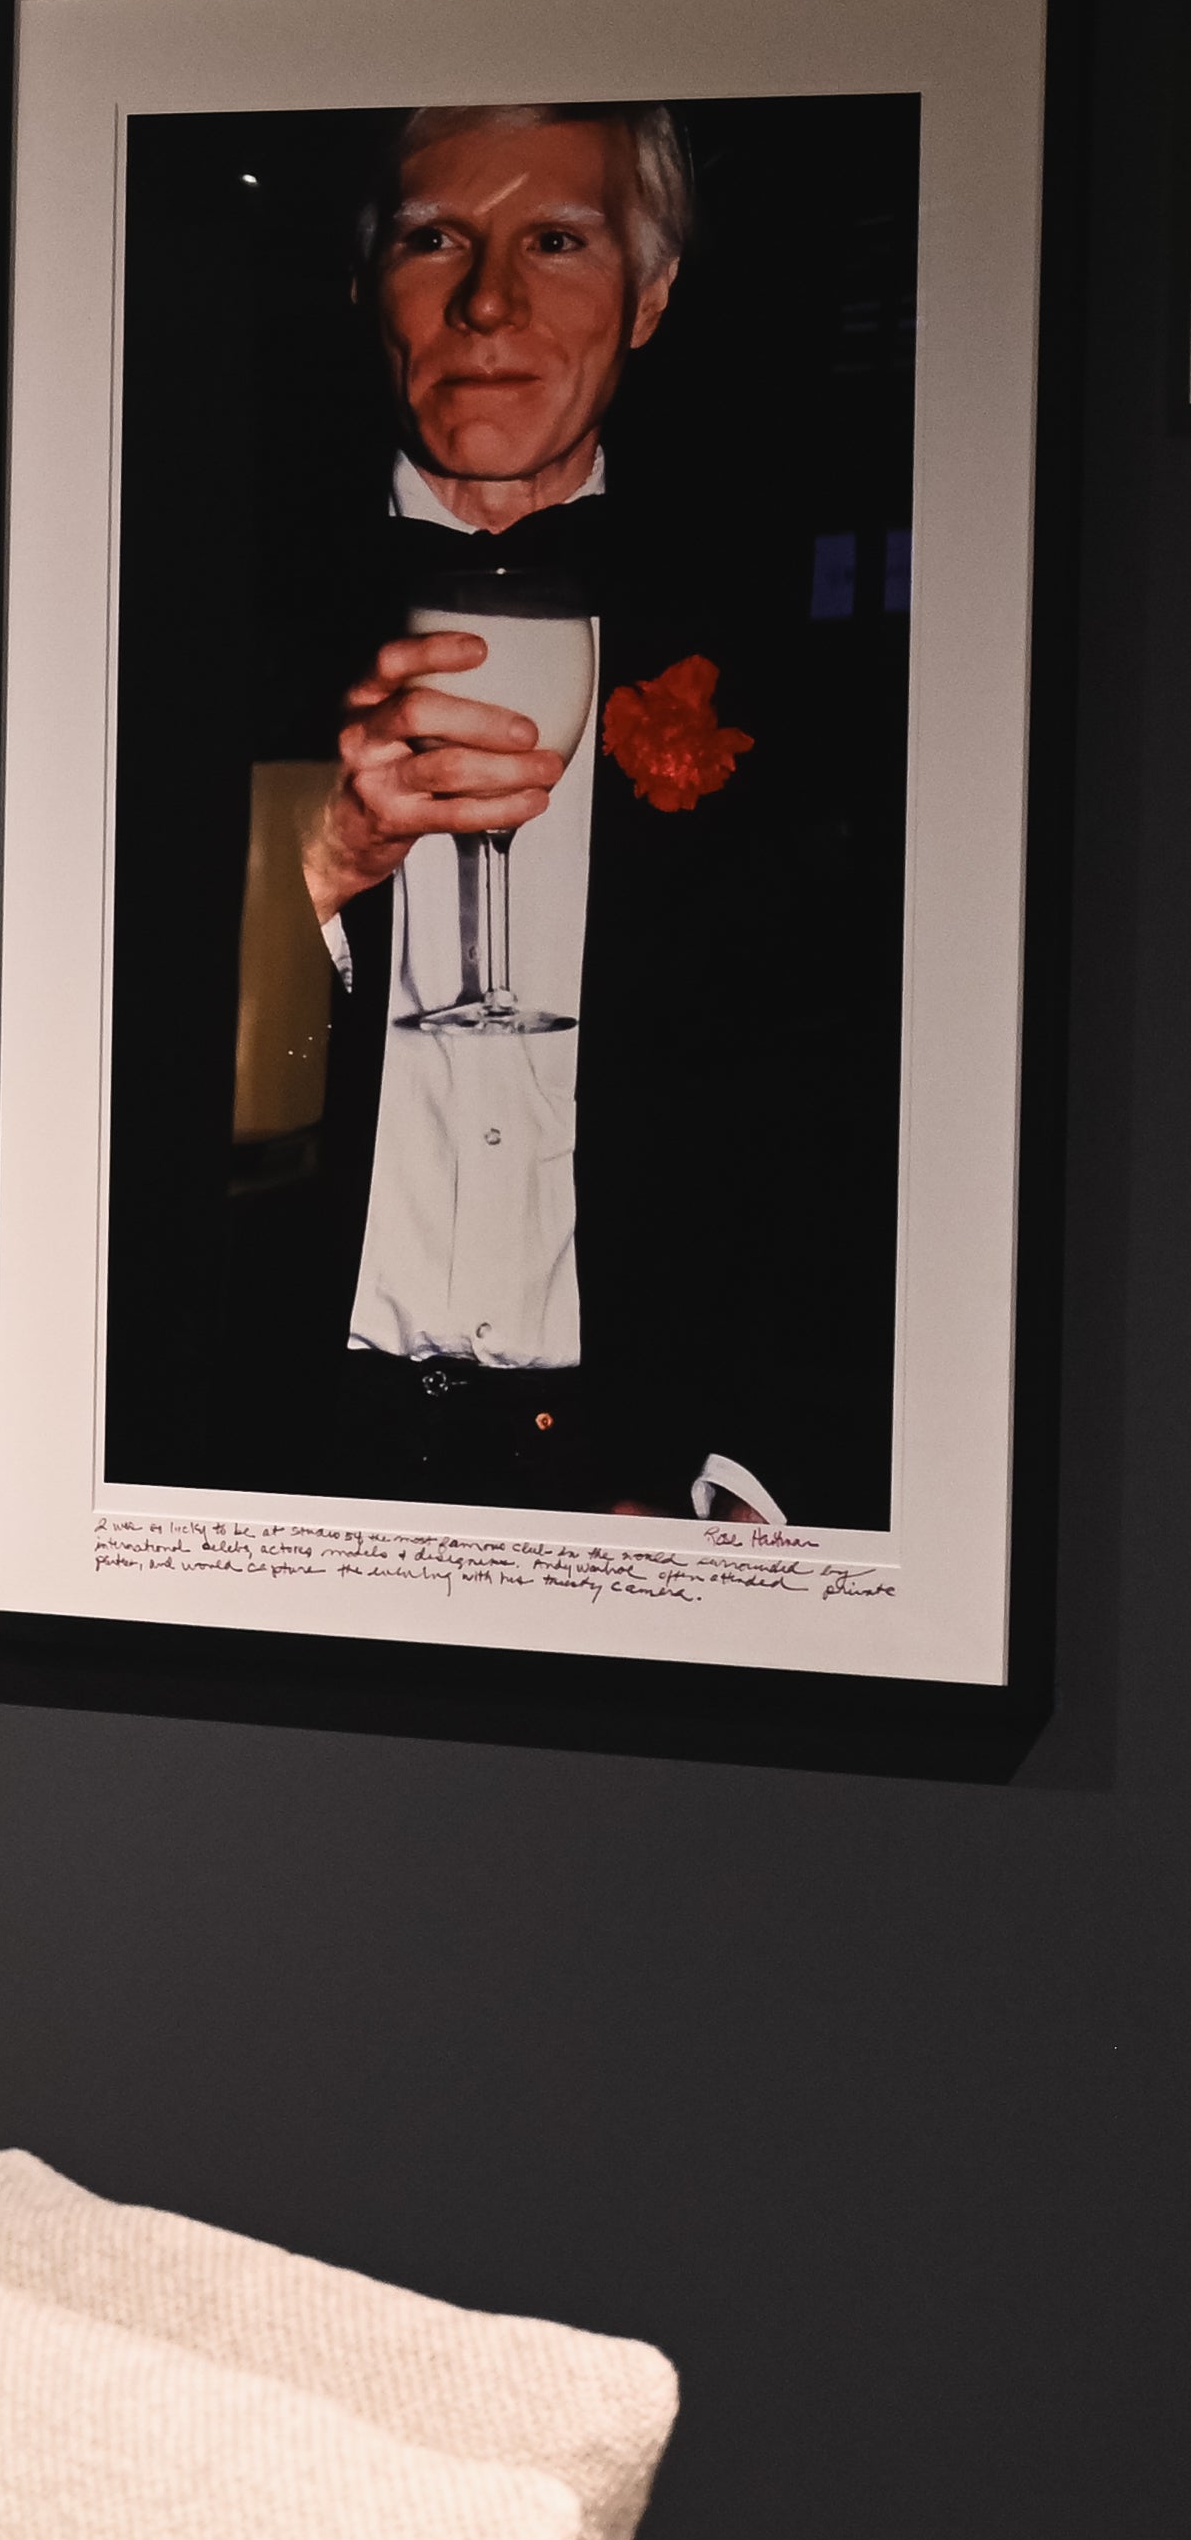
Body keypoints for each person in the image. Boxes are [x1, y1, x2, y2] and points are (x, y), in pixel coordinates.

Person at [236, 102, 871, 1519]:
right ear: (365, 282)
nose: (488, 301)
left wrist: (752, 1464)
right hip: (277, 1439)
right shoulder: (199, 620)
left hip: (636, 1467)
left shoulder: (781, 655)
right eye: (434, 238)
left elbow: (855, 1091)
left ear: (649, 294)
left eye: (559, 240)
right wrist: (304, 874)